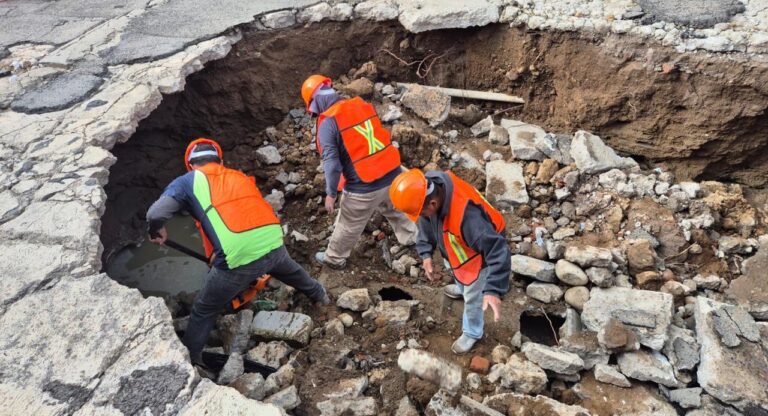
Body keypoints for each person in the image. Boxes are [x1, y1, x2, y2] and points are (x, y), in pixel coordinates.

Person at [146, 138, 329, 364]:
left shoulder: (187, 181)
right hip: (272, 239)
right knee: (291, 272)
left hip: (239, 258)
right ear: (220, 161)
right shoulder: (238, 176)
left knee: (204, 309)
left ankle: (191, 361)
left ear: (190, 166)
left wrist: (156, 230)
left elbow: (155, 214)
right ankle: (320, 295)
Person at [301, 74, 418, 269]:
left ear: (315, 102)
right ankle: (412, 238)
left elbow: (332, 164)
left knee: (348, 224)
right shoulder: (359, 104)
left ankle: (334, 259)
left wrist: (331, 194)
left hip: (364, 186)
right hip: (393, 173)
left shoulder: (328, 122)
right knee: (395, 208)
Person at [389, 168, 511, 354]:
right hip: (460, 245)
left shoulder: (468, 219)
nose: (421, 216)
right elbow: (426, 220)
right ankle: (463, 288)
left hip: (481, 253)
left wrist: (494, 289)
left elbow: (498, 250)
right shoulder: (429, 187)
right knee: (458, 272)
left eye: (421, 212)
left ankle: (472, 332)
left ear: (433, 203)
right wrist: (426, 254)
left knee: (474, 297)